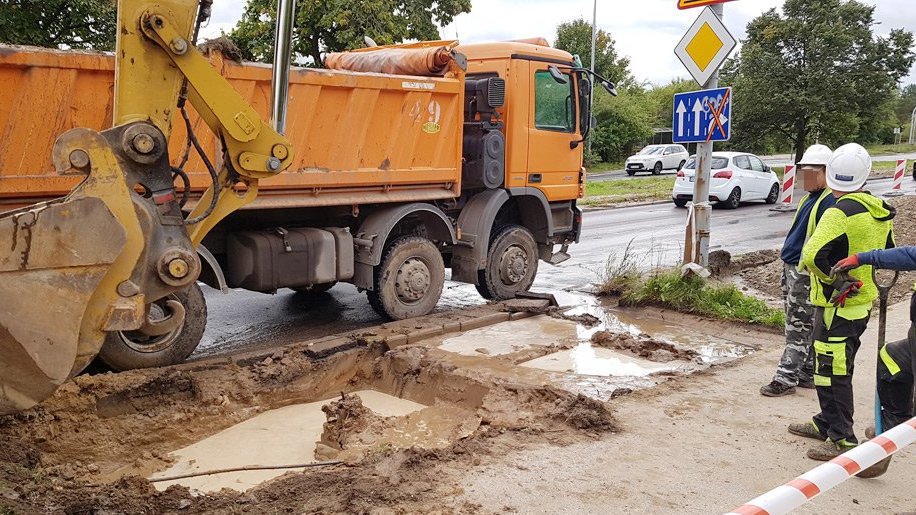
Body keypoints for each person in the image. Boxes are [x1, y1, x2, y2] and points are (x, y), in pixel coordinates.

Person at [788, 143, 896, 461]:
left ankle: (842, 438)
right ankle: (826, 422)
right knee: (837, 365)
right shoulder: (878, 209)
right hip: (862, 303)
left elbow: (811, 255)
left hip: (838, 305)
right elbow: (887, 252)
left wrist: (834, 280)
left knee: (831, 370)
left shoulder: (839, 211)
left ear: (831, 175)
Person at [760, 144, 836, 397]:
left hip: (806, 272)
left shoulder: (829, 202)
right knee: (802, 323)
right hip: (794, 268)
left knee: (798, 326)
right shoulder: (811, 198)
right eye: (803, 170)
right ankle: (806, 372)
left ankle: (786, 377)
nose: (805, 176)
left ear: (827, 172)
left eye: (811, 171)